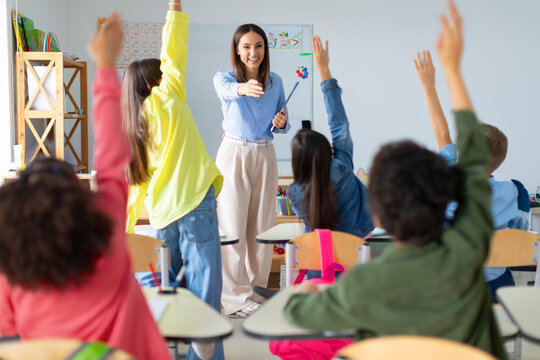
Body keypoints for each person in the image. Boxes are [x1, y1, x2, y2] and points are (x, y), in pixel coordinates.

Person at [282, 1, 506, 358]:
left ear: (380, 214)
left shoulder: (361, 285)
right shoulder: (467, 255)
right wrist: (451, 70)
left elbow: (294, 314)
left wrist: (306, 291)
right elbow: (476, 162)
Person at [0, 13, 169, 360]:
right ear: (77, 198)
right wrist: (105, 65)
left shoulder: (10, 268)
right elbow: (112, 155)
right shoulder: (105, 223)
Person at [123, 1, 224, 358]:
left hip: (163, 215)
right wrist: (175, 10)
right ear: (155, 82)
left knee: (169, 292)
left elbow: (134, 187)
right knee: (205, 294)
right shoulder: (168, 95)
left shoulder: (135, 127)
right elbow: (173, 51)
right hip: (195, 203)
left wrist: (127, 230)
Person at [414, 48, 529, 299]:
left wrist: (429, 86)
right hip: (494, 284)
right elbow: (522, 232)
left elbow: (441, 132)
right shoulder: (514, 191)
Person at [213, 23, 290, 318]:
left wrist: (282, 123)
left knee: (262, 228)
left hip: (265, 153)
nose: (253, 52)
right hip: (234, 153)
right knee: (231, 228)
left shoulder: (276, 82)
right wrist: (242, 88)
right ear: (237, 50)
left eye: (258, 46)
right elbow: (226, 90)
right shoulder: (225, 79)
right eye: (246, 46)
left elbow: (283, 119)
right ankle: (233, 300)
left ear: (265, 49)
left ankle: (255, 292)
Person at [288, 35, 374, 264]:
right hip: (355, 251)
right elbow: (339, 125)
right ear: (326, 150)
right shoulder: (341, 167)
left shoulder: (294, 193)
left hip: (319, 260)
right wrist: (324, 70)